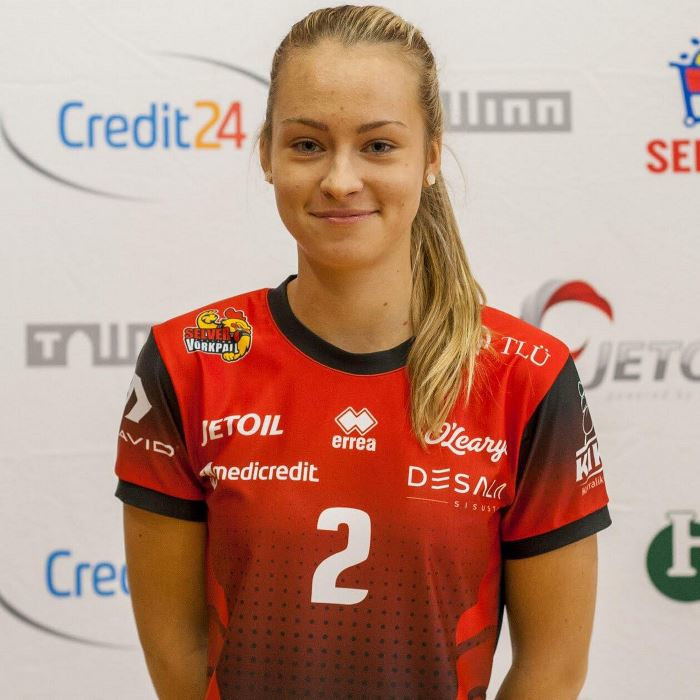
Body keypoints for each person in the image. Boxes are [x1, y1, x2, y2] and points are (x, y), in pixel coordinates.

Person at [113, 5, 612, 699]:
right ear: (266, 155)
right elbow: (178, 655)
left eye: (378, 146)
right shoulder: (190, 359)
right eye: (307, 144)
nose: (340, 180)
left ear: (430, 157)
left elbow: (552, 671)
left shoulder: (527, 377)